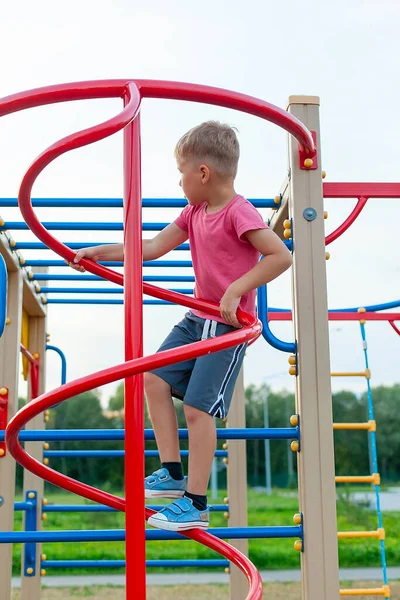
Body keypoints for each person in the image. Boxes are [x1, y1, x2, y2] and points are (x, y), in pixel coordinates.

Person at [69, 121, 292, 532]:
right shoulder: (193, 212)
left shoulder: (238, 212)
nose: (179, 182)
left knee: (196, 408)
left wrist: (236, 290)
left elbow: (280, 256)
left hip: (227, 326)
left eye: (181, 173)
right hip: (196, 319)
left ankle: (196, 501)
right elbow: (152, 247)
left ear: (203, 173)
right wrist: (100, 252)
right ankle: (172, 472)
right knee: (152, 378)